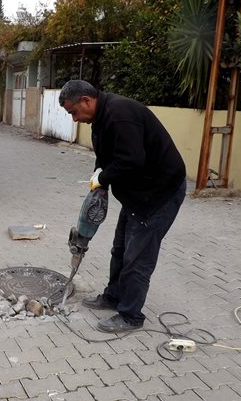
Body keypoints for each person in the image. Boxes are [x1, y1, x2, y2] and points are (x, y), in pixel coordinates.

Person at [59, 80, 187, 333]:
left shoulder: (120, 114)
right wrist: (100, 180)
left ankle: (130, 315)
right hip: (136, 196)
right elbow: (106, 156)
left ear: (86, 100)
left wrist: (104, 178)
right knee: (119, 249)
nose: (74, 119)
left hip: (159, 195)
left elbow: (132, 160)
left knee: (137, 258)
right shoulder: (101, 118)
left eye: (73, 112)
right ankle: (114, 296)